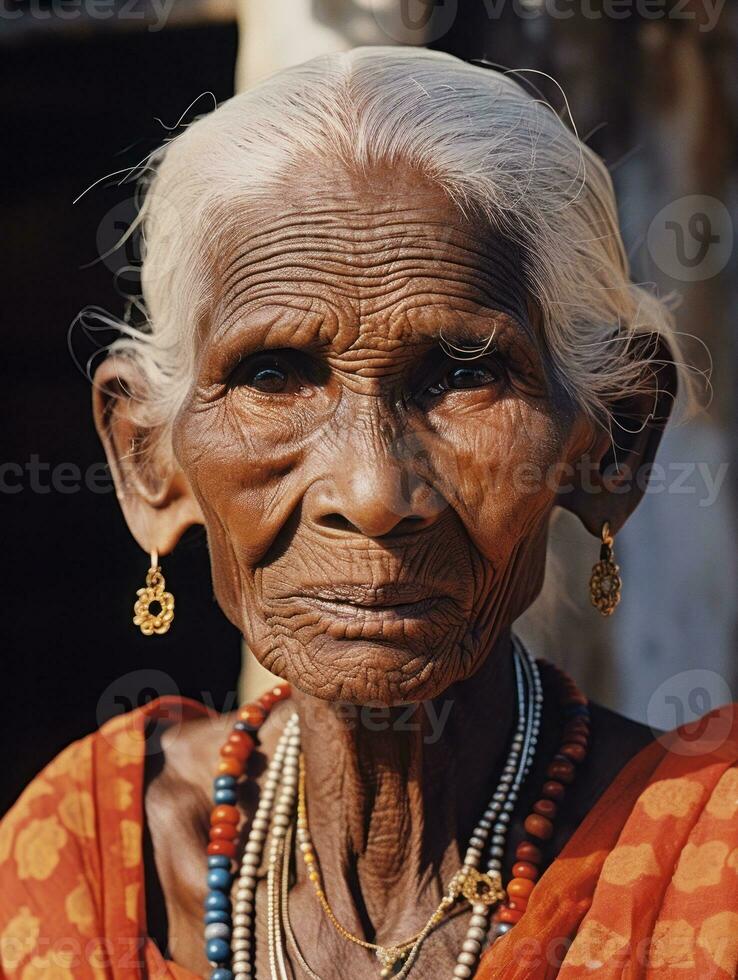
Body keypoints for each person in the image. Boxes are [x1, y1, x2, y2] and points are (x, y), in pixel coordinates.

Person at [1, 47, 735, 980]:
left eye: (465, 374)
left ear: (612, 443)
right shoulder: (89, 864)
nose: (373, 495)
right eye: (273, 375)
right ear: (150, 460)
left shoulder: (709, 865)